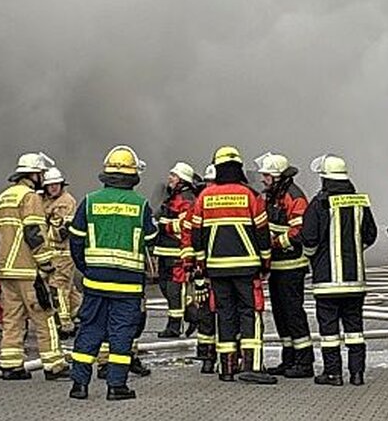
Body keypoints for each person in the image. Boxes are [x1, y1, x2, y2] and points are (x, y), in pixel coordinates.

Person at [68, 146, 158, 401]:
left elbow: (76, 239)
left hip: (96, 281)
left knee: (90, 330)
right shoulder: (141, 205)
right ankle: (116, 387)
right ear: (133, 175)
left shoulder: (90, 201)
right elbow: (151, 239)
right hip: (128, 286)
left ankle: (79, 385)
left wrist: (86, 268)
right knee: (121, 334)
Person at [189, 146, 276, 384]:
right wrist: (265, 263)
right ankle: (252, 366)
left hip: (216, 268)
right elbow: (262, 233)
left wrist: (201, 265)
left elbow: (196, 235)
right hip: (247, 268)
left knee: (224, 314)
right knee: (250, 313)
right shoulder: (250, 195)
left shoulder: (205, 197)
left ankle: (226, 368)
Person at [0, 152, 68, 380]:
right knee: (45, 316)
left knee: (12, 318)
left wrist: (10, 237)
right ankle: (54, 366)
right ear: (33, 174)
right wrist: (47, 263)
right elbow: (34, 234)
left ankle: (11, 365)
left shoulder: (5, 197)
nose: (43, 178)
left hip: (6, 270)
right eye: (41, 174)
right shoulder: (30, 198)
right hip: (28, 271)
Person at [301, 154, 377, 386]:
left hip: (327, 282)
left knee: (329, 331)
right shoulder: (360, 202)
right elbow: (370, 235)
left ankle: (333, 374)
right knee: (355, 329)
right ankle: (357, 374)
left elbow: (309, 239)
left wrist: (314, 258)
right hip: (355, 281)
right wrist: (353, 250)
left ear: (325, 178)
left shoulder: (319, 203)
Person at [255, 152, 313, 378]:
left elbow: (299, 231)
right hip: (277, 266)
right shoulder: (270, 196)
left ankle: (304, 362)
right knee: (280, 314)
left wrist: (276, 242)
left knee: (293, 313)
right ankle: (288, 359)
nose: (263, 180)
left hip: (292, 265)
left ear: (278, 177)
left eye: (267, 176)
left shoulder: (294, 196)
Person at [153, 162, 198, 338]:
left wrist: (165, 225)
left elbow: (187, 225)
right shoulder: (172, 197)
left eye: (173, 175)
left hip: (177, 252)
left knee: (174, 289)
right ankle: (193, 314)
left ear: (182, 179)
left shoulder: (187, 199)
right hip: (165, 251)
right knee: (165, 287)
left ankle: (174, 326)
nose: (169, 178)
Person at [42, 167, 82, 338]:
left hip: (62, 253)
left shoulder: (65, 202)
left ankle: (64, 324)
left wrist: (41, 228)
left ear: (61, 185)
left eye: (56, 184)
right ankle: (79, 313)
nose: (53, 188)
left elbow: (61, 233)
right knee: (68, 288)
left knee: (59, 288)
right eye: (50, 185)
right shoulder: (45, 200)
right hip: (51, 253)